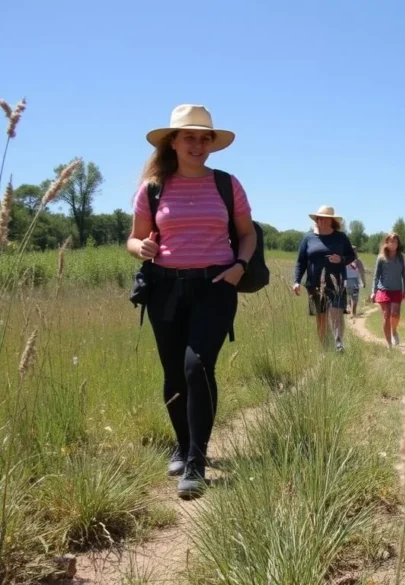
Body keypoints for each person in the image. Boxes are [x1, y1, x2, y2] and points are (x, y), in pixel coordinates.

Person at [126, 104, 257, 500]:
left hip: (215, 286)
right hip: (164, 288)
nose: (197, 144)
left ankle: (197, 461)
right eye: (189, 136)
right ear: (173, 141)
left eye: (205, 138)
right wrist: (142, 247)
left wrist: (239, 266)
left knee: (196, 365)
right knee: (172, 371)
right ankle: (182, 446)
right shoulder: (153, 188)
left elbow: (248, 235)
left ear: (212, 144)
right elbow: (134, 239)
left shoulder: (226, 184)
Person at [292, 206, 356, 352]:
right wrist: (296, 281)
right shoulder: (308, 238)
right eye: (318, 217)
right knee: (321, 319)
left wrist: (341, 259)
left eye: (323, 218)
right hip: (314, 285)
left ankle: (338, 344)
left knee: (336, 313)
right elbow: (301, 261)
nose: (320, 220)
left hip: (337, 283)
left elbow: (351, 256)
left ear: (331, 221)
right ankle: (325, 351)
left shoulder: (340, 237)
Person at [372, 233, 405, 348]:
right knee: (387, 315)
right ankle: (389, 344)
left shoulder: (400, 257)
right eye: (391, 241)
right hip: (383, 290)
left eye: (395, 242)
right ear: (386, 243)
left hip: (397, 289)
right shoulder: (381, 258)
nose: (393, 244)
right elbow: (376, 276)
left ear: (398, 244)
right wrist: (374, 291)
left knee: (395, 314)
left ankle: (394, 331)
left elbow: (404, 275)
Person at [346, 253, 366, 321]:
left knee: (350, 296)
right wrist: (363, 282)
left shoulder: (344, 260)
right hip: (353, 281)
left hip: (347, 281)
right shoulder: (357, 261)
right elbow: (362, 272)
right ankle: (353, 312)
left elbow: (362, 272)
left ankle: (351, 311)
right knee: (354, 297)